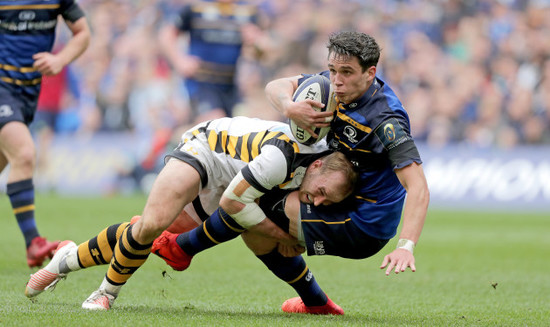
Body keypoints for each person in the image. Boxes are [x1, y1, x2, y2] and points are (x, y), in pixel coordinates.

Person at [150, 30, 430, 314]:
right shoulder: (332, 86)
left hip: (363, 222)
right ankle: (316, 303)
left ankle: (183, 248)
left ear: (370, 74)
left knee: (250, 200)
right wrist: (289, 106)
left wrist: (406, 245)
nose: (337, 80)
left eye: (346, 72)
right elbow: (276, 85)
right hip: (338, 197)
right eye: (333, 70)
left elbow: (417, 186)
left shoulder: (385, 121)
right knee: (254, 214)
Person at [24, 116, 357, 310]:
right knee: (152, 225)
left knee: (148, 233)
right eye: (323, 193)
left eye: (327, 202)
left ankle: (65, 259)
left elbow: (239, 201)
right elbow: (232, 205)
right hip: (208, 149)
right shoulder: (283, 158)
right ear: (316, 165)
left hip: (235, 180)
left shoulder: (322, 161)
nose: (319, 201)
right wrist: (284, 235)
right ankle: (106, 294)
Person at [0, 0, 91, 268]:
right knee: (25, 154)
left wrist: (60, 59)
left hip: (28, 93)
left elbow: (83, 32)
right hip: (2, 87)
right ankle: (33, 242)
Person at [158, 0, 266, 124]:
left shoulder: (247, 10)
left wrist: (256, 42)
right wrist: (179, 60)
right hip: (202, 83)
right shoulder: (197, 7)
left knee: (243, 126)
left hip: (232, 85)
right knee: (215, 122)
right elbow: (166, 34)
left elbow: (262, 52)